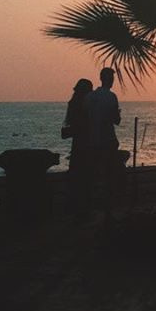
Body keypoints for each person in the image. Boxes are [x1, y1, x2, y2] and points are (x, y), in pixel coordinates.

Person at [86, 67, 121, 220]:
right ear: (109, 79)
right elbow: (116, 120)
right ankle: (108, 210)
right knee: (110, 176)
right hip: (107, 139)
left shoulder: (90, 97)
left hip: (93, 140)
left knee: (93, 175)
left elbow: (86, 117)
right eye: (112, 78)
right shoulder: (111, 97)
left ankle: (90, 208)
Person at [62, 78, 93, 221]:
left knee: (77, 177)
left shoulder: (74, 104)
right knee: (85, 178)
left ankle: (77, 209)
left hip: (78, 146)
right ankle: (83, 210)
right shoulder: (84, 105)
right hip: (86, 145)